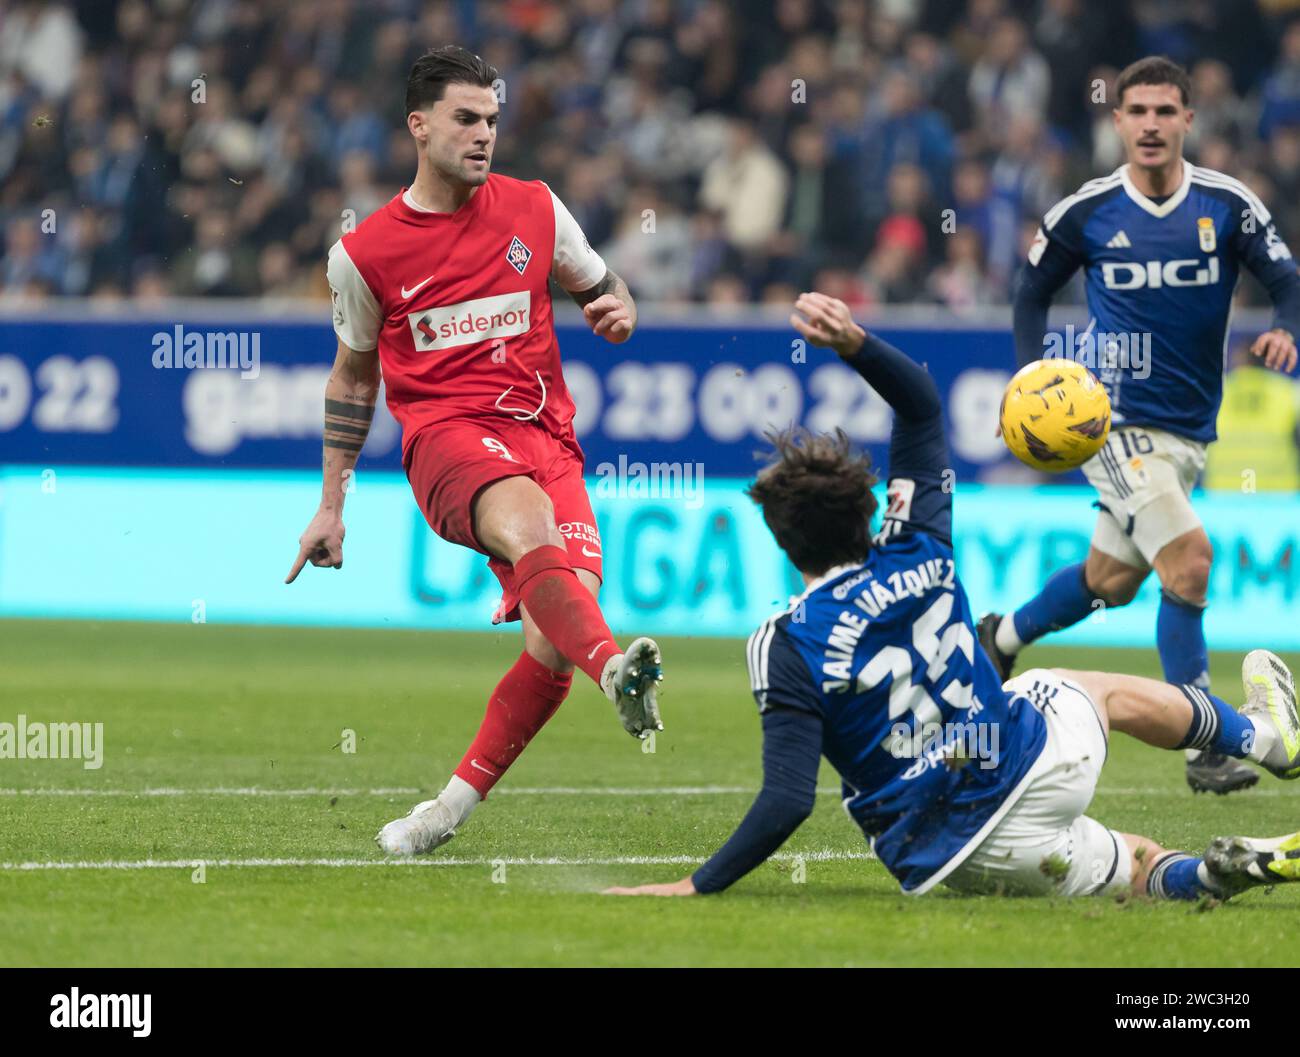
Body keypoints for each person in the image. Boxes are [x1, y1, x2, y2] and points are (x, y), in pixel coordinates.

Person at [606, 293, 1300, 901]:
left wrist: (698, 883)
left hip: (945, 856)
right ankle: (1266, 739)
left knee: (1137, 864)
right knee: (1072, 684)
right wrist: (855, 342)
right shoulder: (920, 543)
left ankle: (1212, 876)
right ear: (867, 510)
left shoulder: (783, 642)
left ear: (785, 544)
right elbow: (921, 403)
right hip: (1029, 765)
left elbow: (787, 798)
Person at [286, 46, 664, 856]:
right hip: (448, 439)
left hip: (546, 437)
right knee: (534, 532)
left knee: (550, 639)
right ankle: (617, 674)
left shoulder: (535, 207)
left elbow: (603, 285)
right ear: (419, 127)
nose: (484, 134)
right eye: (466, 118)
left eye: (492, 119)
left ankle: (444, 810)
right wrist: (331, 503)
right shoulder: (364, 254)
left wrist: (618, 307)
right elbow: (353, 382)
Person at [978, 56, 1300, 796]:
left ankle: (1001, 637)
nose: (1151, 125)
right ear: (1116, 121)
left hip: (1188, 429)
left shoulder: (1227, 205)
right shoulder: (1085, 212)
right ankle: (1208, 743)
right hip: (1112, 422)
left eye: (1165, 111)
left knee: (1111, 582)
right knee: (1189, 561)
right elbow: (1030, 295)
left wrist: (1285, 326)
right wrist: (1033, 376)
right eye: (1138, 112)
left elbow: (1287, 279)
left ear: (1189, 120)